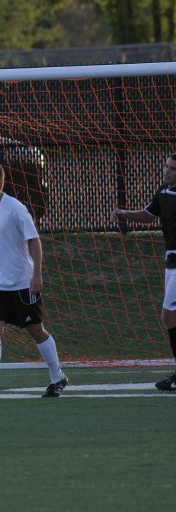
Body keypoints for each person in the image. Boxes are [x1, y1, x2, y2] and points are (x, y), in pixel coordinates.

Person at [0, 162, 68, 401]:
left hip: (21, 282)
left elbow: (34, 241)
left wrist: (36, 274)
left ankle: (57, 376)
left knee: (35, 330)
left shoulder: (16, 208)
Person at [110, 153, 176, 392]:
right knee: (171, 318)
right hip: (170, 263)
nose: (167, 171)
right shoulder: (164, 191)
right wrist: (125, 213)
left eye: (173, 169)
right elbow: (149, 215)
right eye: (166, 166)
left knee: (169, 316)